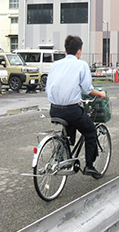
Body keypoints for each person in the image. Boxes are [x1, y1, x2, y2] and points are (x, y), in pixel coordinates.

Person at [46, 35, 107, 178]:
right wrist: (100, 94)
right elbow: (86, 89)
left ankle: (64, 156)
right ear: (79, 51)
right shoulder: (81, 65)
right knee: (90, 131)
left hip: (54, 109)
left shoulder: (55, 65)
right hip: (72, 110)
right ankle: (90, 166)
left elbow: (48, 88)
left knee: (69, 129)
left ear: (66, 49)